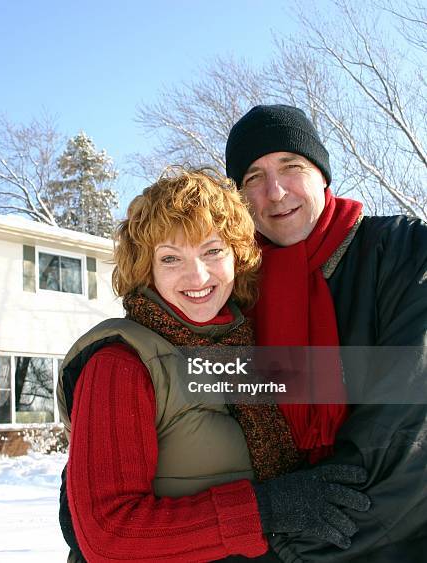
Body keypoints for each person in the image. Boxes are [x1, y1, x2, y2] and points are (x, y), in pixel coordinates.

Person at [56, 168, 370, 562]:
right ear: (145, 269)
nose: (198, 275)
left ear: (237, 257)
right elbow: (109, 533)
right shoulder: (119, 363)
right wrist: (265, 510)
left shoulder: (240, 352)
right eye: (171, 258)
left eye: (212, 251)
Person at [225, 104, 427, 562]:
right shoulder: (229, 288)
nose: (275, 192)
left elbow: (404, 436)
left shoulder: (405, 252)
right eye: (253, 177)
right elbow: (183, 401)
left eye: (290, 166)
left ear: (322, 173)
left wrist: (278, 548)